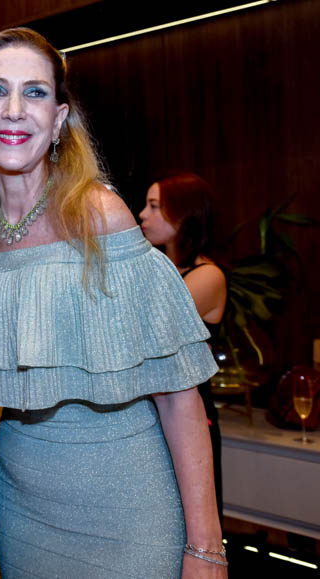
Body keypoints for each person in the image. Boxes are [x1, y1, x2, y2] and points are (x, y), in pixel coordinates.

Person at [0, 28, 226, 577]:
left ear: (60, 120)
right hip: (22, 511)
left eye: (36, 93)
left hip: (128, 509)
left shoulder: (99, 216)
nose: (15, 110)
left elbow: (178, 394)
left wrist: (206, 548)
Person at [141, 172, 226, 526]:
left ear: (185, 215)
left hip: (189, 417)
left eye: (154, 206)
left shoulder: (208, 275)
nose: (142, 214)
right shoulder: (158, 270)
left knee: (191, 524)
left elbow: (149, 327)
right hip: (152, 415)